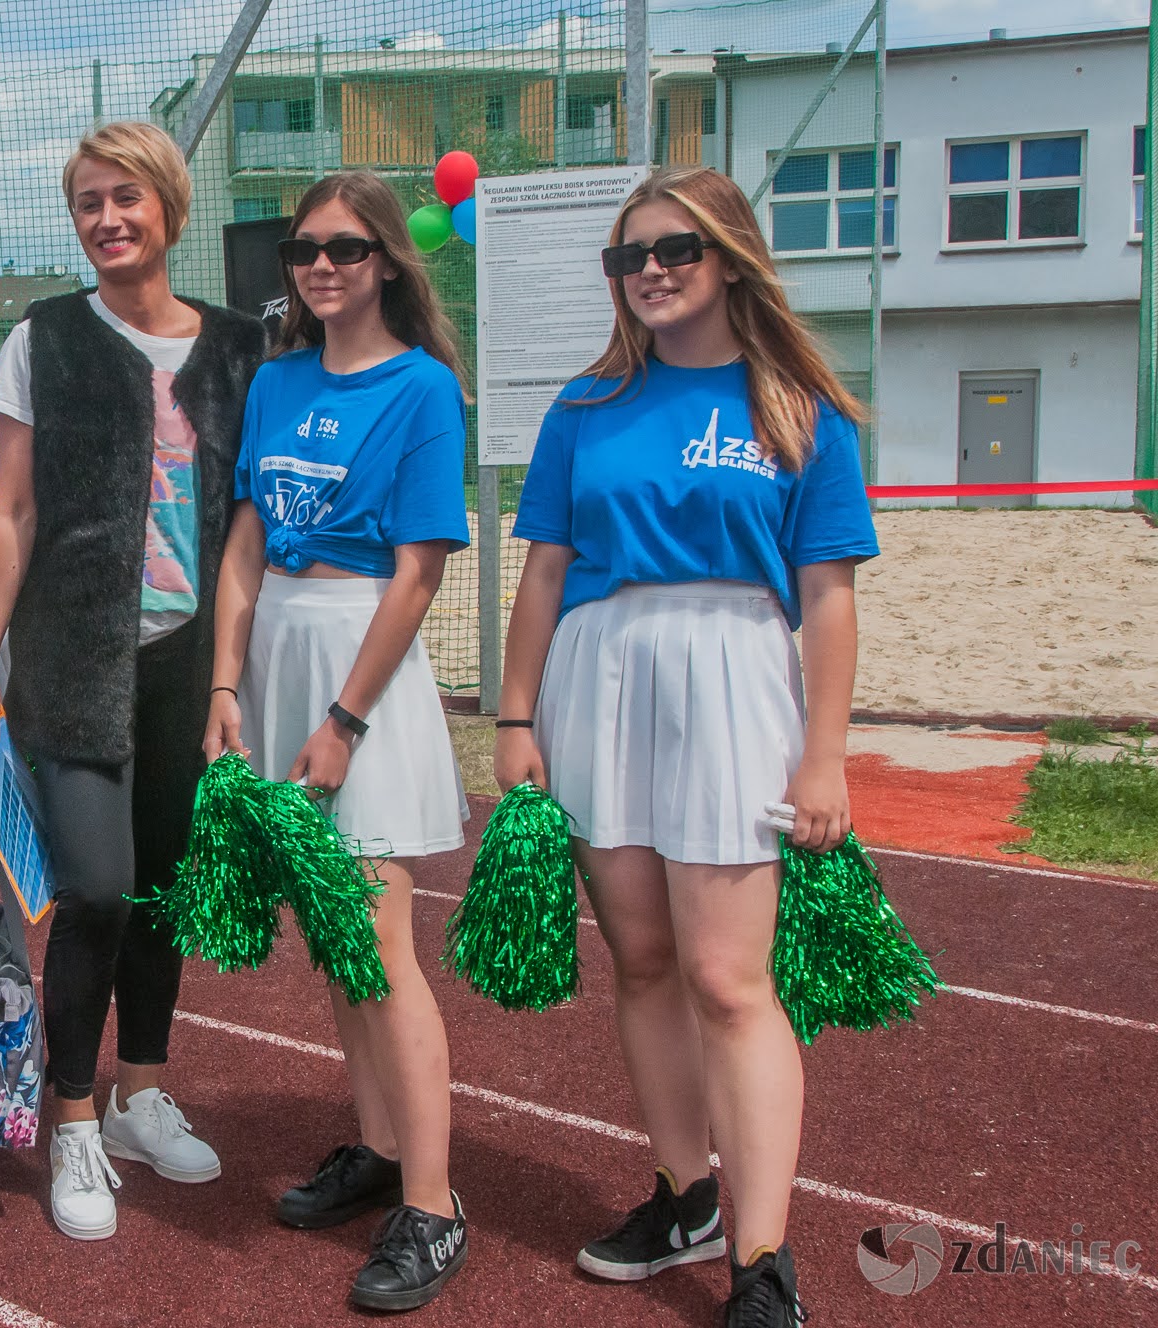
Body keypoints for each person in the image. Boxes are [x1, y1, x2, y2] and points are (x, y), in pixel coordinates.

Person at [497, 165, 878, 1328]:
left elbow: (827, 599)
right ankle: (682, 1194)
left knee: (727, 977)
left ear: (728, 259)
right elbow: (544, 572)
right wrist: (513, 717)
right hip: (598, 677)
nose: (649, 272)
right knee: (645, 961)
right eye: (628, 257)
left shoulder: (800, 409)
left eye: (674, 249)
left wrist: (824, 755)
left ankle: (760, 1260)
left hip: (731, 681)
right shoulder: (584, 405)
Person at [0, 121, 266, 1241]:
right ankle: (71, 1116)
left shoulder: (239, 348)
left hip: (187, 663)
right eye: (86, 201)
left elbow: (242, 527)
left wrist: (228, 673)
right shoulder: (41, 337)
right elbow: (12, 509)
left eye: (124, 196)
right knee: (92, 886)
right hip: (69, 656)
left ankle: (139, 1090)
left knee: (163, 889)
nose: (106, 218)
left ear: (168, 205)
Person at [202, 170, 472, 1313]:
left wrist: (344, 720)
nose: (320, 266)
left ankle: (434, 1201)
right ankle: (371, 1146)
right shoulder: (274, 382)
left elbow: (418, 573)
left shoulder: (420, 390)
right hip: (275, 665)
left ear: (386, 264)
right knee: (330, 933)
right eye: (304, 249)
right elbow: (245, 546)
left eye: (345, 249)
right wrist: (223, 681)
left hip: (360, 668)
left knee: (378, 933)